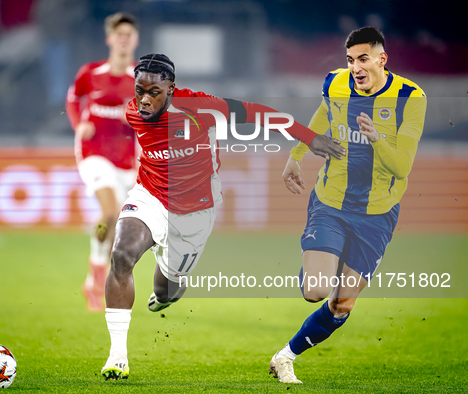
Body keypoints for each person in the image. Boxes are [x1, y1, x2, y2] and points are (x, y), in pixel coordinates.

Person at [100, 53, 347, 380]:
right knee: (122, 254)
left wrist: (309, 138)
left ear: (172, 88)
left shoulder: (203, 107)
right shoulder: (134, 111)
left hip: (194, 210)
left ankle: (169, 287)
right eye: (139, 90)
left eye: (153, 92)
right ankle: (117, 356)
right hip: (150, 195)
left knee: (165, 290)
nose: (144, 99)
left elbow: (261, 115)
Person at [270, 27, 427, 384]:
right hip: (331, 202)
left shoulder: (410, 98)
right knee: (316, 290)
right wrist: (296, 154)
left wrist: (376, 140)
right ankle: (318, 259)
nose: (356, 67)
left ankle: (285, 357)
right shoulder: (335, 83)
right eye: (350, 60)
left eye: (363, 59)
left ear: (381, 59)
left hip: (378, 215)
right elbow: (324, 114)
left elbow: (402, 166)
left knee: (342, 305)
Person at [65, 13, 139, 312]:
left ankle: (93, 276)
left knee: (113, 227)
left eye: (129, 34)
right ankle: (97, 276)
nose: (124, 39)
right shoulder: (91, 72)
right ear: (109, 38)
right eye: (118, 34)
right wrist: (77, 124)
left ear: (135, 40)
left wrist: (133, 116)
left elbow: (157, 117)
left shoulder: (143, 79)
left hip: (126, 161)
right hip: (93, 152)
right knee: (109, 211)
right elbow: (73, 98)